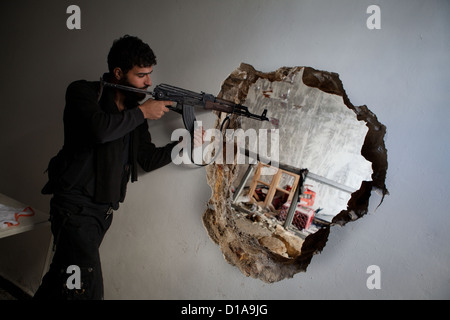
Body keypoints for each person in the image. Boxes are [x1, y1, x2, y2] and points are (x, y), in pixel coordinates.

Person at [34, 35, 181, 300]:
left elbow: (147, 159)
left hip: (102, 214)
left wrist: (186, 145)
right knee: (86, 290)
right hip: (75, 211)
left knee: (63, 279)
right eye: (141, 75)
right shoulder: (84, 92)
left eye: (150, 75)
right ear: (118, 73)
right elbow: (99, 130)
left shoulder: (136, 112)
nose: (149, 82)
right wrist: (143, 113)